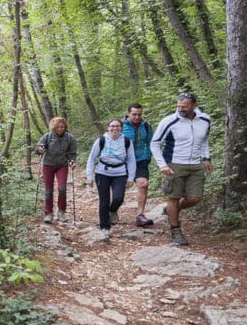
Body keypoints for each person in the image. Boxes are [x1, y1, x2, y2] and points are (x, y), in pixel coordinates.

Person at [151, 92, 212, 246]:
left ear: (194, 106)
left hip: (196, 164)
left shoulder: (205, 120)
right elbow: (155, 143)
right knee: (174, 197)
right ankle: (175, 229)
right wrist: (162, 165)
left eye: (184, 106)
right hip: (174, 164)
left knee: (195, 198)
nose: (180, 109)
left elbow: (204, 140)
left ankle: (172, 210)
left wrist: (206, 158)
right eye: (178, 106)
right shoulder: (170, 121)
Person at [84, 118, 136, 234]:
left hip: (120, 173)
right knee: (104, 201)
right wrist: (89, 176)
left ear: (121, 128)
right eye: (112, 126)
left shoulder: (126, 141)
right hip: (102, 173)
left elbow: (131, 160)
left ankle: (113, 211)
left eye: (117, 126)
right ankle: (104, 227)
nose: (115, 128)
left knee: (118, 198)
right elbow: (92, 158)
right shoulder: (101, 140)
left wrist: (131, 177)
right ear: (108, 128)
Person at [34, 117, 77, 224]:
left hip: (62, 165)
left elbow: (72, 153)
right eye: (57, 127)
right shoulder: (48, 136)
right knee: (48, 190)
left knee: (62, 188)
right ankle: (48, 213)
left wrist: (72, 161)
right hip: (48, 165)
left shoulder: (69, 138)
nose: (60, 128)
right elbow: (37, 149)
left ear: (65, 127)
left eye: (62, 126)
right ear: (53, 127)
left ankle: (61, 211)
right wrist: (40, 149)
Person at [122, 103, 154, 227]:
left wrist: (147, 157)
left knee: (143, 184)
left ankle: (140, 215)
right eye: (134, 114)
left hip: (140, 160)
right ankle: (112, 210)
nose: (137, 117)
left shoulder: (145, 125)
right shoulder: (120, 126)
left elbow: (151, 142)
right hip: (122, 161)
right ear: (128, 113)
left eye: (139, 114)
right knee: (117, 189)